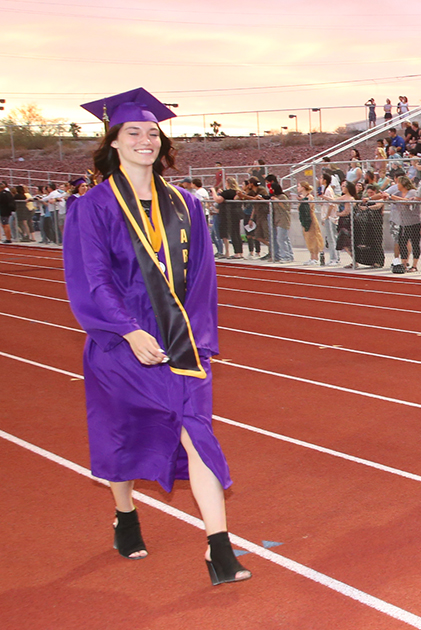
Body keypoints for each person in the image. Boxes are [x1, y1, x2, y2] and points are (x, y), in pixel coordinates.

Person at [62, 89, 250, 584]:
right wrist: (127, 330)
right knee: (121, 435)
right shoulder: (93, 207)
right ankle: (124, 512)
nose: (145, 140)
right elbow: (93, 277)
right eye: (133, 133)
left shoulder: (186, 204)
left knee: (198, 434)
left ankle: (219, 549)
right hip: (121, 343)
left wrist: (199, 335)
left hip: (181, 342)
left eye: (152, 133)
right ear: (114, 143)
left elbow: (204, 275)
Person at [297, 181, 325, 265]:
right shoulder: (303, 197)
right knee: (308, 237)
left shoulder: (310, 197)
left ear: (303, 187)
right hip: (304, 219)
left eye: (299, 186)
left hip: (311, 219)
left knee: (313, 237)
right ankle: (311, 256)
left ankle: (315, 257)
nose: (297, 188)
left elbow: (308, 207)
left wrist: (303, 200)